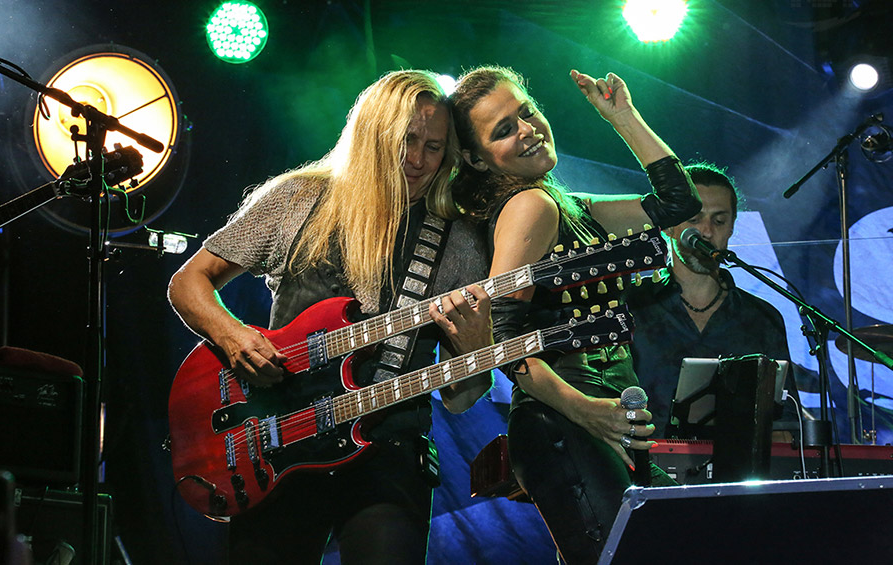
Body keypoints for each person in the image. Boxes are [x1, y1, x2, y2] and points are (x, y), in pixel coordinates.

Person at [167, 70, 493, 564]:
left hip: (387, 452)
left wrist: (474, 350)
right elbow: (188, 282)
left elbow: (460, 398)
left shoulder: (459, 240)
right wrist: (234, 338)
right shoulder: (297, 198)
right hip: (275, 444)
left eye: (433, 147)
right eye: (406, 140)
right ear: (372, 134)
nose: (417, 160)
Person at [449, 65, 701, 564]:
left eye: (527, 112)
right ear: (477, 160)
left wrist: (622, 117)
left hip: (600, 417)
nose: (527, 129)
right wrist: (583, 410)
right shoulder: (531, 207)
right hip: (563, 420)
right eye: (504, 129)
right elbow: (504, 337)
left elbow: (677, 202)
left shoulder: (566, 204)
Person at [626, 163, 799, 440]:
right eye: (694, 219)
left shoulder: (762, 318)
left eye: (719, 221)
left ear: (731, 227)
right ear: (669, 226)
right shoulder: (631, 307)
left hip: (739, 472)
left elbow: (786, 422)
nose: (706, 232)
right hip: (648, 469)